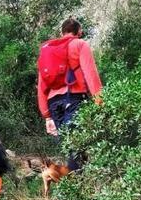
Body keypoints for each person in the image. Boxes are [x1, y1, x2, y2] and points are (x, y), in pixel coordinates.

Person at [36, 17, 102, 173]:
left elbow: (41, 86)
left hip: (53, 104)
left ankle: (76, 185)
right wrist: (100, 101)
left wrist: (46, 115)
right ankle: (77, 188)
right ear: (79, 31)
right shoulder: (80, 44)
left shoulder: (48, 50)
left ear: (62, 32)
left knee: (70, 146)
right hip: (73, 99)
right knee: (77, 147)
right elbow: (90, 74)